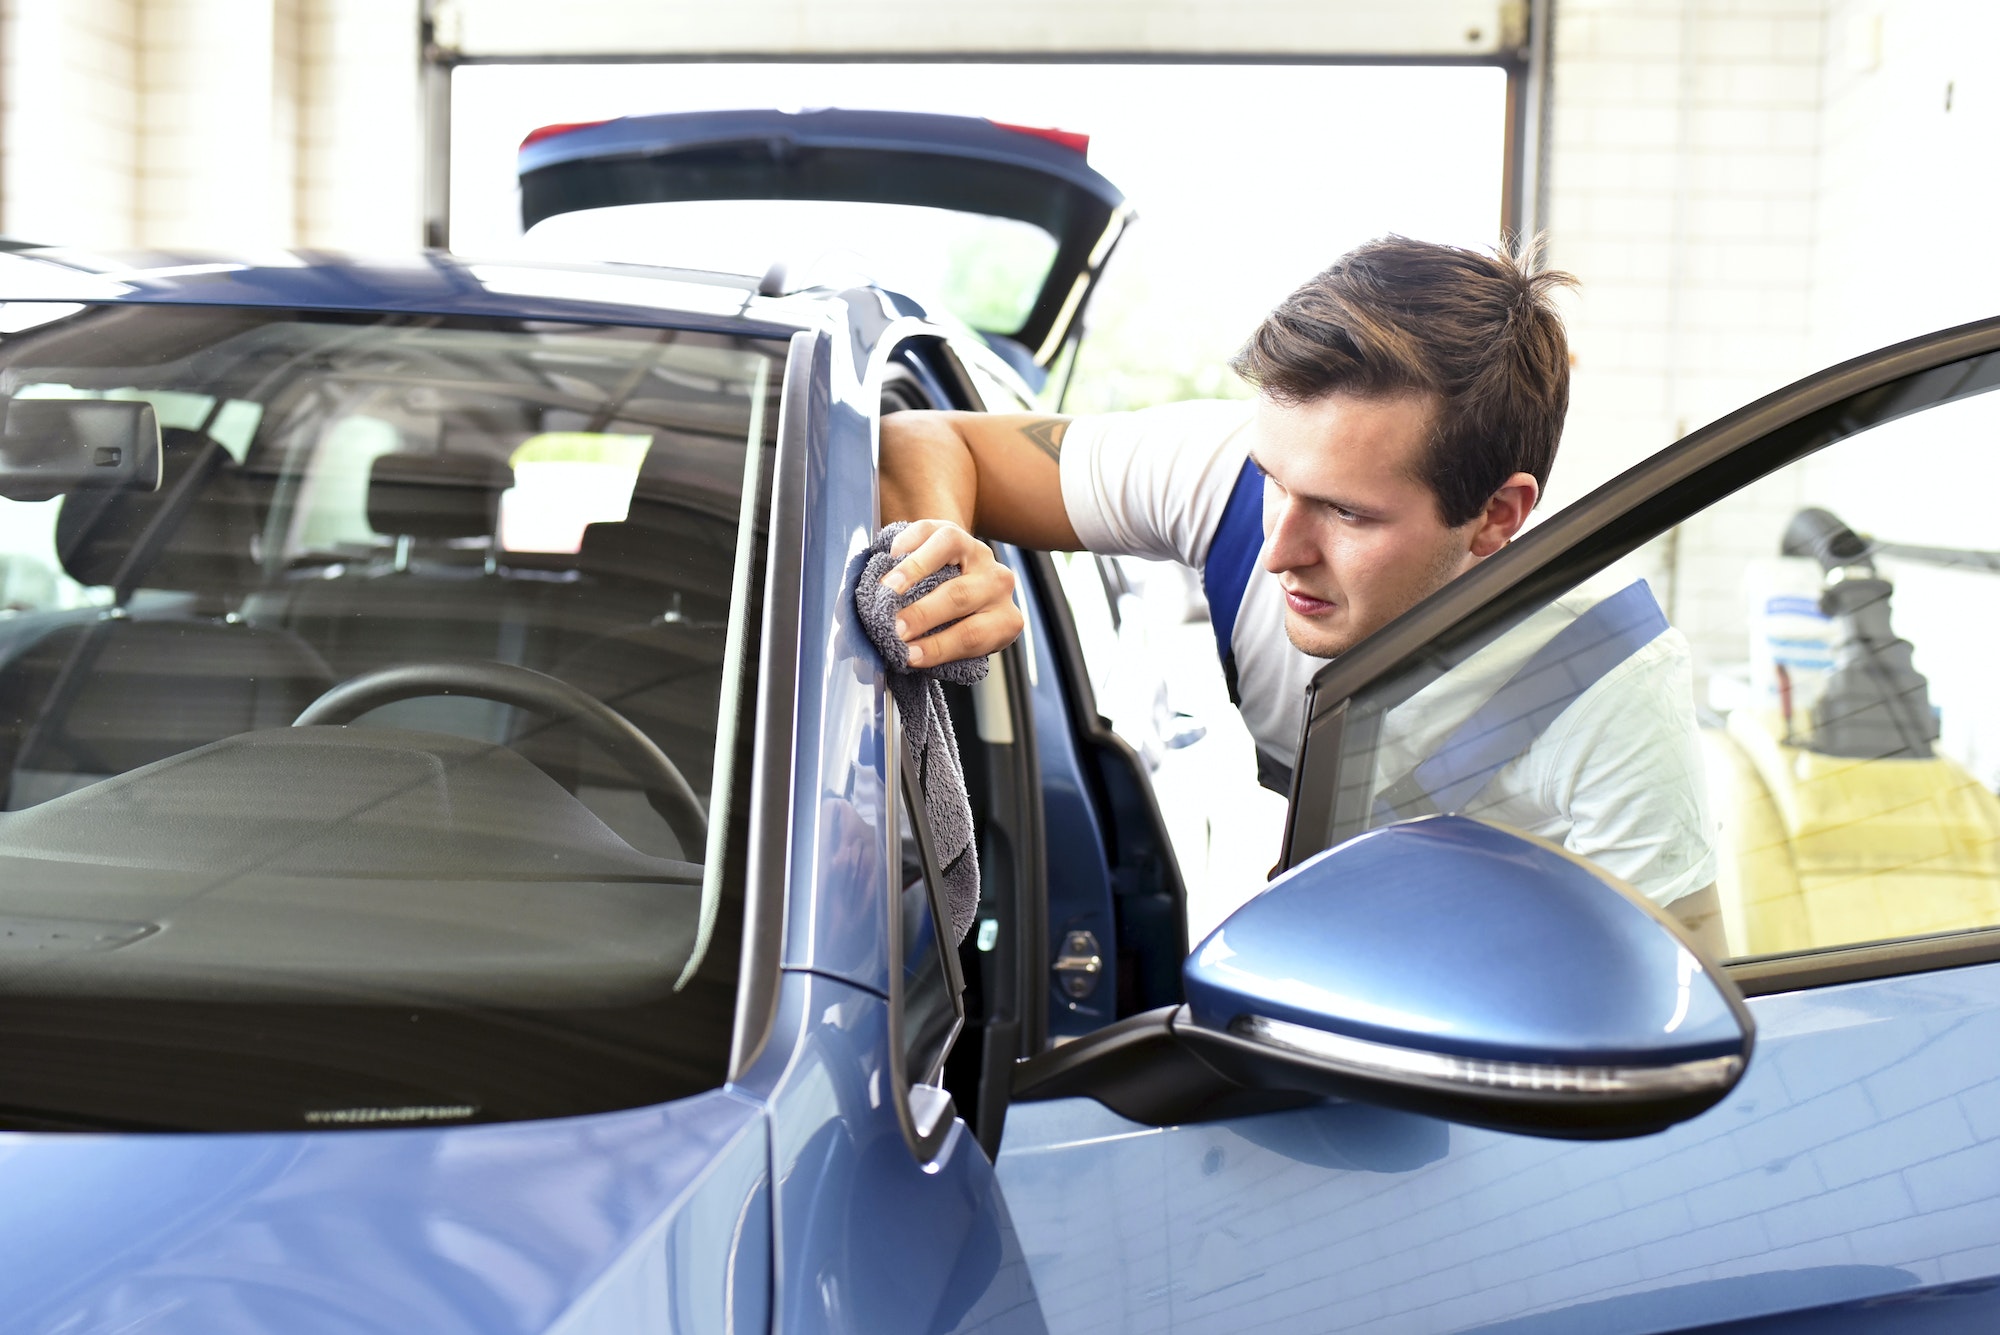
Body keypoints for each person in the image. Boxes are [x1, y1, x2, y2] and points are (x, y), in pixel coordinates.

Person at [877, 236, 1723, 952]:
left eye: (1349, 513)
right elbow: (923, 441)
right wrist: (940, 559)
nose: (1279, 547)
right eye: (1275, 480)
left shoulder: (1608, 683)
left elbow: (1679, 1013)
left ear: (1496, 516)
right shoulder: (1229, 472)